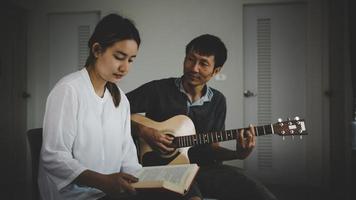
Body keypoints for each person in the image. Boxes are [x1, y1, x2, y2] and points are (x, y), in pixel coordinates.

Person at [127, 34, 278, 200]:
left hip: (203, 169)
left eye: (203, 63)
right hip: (161, 168)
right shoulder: (158, 89)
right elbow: (114, 108)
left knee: (254, 188)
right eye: (190, 59)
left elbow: (212, 149)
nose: (194, 68)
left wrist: (238, 154)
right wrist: (142, 130)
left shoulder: (218, 101)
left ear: (216, 70)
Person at [38, 13, 142, 200]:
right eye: (119, 57)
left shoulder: (121, 100)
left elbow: (128, 156)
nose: (125, 67)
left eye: (131, 60)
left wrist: (144, 181)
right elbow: (54, 157)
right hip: (75, 195)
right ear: (97, 50)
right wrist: (103, 181)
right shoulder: (68, 90)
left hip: (110, 193)